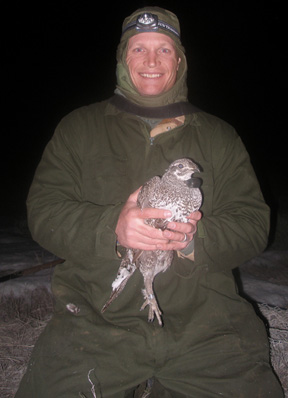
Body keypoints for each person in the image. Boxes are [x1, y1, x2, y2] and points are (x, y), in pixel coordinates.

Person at [15, 7, 283, 398]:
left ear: (180, 60)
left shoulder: (218, 136)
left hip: (207, 319)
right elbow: (43, 210)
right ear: (124, 59)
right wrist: (111, 227)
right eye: (139, 49)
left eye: (164, 50)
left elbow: (253, 222)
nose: (152, 61)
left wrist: (194, 239)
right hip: (96, 315)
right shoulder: (80, 127)